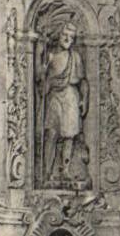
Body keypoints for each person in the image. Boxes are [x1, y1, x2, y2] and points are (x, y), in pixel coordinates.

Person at [37, 19, 89, 185]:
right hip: (54, 97)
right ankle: (46, 173)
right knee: (51, 134)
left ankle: (65, 171)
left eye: (71, 37)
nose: (68, 39)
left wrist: (85, 100)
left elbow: (83, 81)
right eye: (65, 35)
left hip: (71, 97)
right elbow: (39, 77)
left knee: (69, 136)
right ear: (58, 35)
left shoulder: (76, 57)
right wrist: (42, 67)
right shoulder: (50, 55)